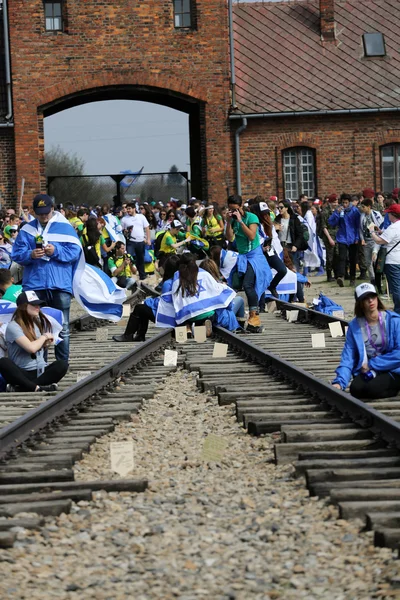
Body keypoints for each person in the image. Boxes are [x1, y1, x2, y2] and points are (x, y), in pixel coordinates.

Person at [11, 194, 81, 361]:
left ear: (52, 209)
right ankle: (40, 364)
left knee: (62, 327)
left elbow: (74, 253)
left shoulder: (66, 228)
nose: (43, 216)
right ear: (34, 212)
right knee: (36, 326)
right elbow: (17, 254)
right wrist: (31, 254)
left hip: (59, 285)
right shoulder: (27, 230)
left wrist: (55, 251)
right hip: (35, 284)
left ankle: (61, 364)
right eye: (39, 213)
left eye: (46, 212)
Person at [332, 283, 400, 399]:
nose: (370, 301)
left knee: (371, 389)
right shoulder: (355, 326)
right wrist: (339, 382)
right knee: (355, 389)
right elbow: (348, 357)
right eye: (365, 298)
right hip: (371, 371)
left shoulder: (393, 321)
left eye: (372, 297)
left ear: (377, 298)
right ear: (360, 303)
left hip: (392, 368)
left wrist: (372, 364)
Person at [0, 291, 68, 392]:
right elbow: (31, 348)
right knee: (3, 362)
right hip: (22, 373)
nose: (38, 307)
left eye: (39, 305)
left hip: (41, 371)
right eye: (34, 305)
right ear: (23, 307)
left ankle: (25, 387)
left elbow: (37, 347)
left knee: (62, 365)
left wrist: (46, 344)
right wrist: (44, 336)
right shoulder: (13, 326)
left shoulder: (37, 324)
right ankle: (35, 387)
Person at [226, 195, 272, 332]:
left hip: (254, 256)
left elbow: (252, 236)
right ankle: (243, 317)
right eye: (230, 209)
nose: (233, 212)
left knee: (248, 284)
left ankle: (254, 316)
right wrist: (229, 222)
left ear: (241, 206)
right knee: (235, 284)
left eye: (235, 209)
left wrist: (240, 221)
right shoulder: (232, 220)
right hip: (242, 256)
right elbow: (229, 238)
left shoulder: (252, 217)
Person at [112, 254, 180, 342]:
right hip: (177, 315)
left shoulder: (168, 283)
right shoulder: (180, 280)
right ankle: (140, 335)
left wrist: (150, 301)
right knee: (143, 309)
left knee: (139, 308)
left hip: (167, 317)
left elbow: (165, 303)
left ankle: (128, 335)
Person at [370, 203, 400, 314]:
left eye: (389, 214)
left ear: (393, 215)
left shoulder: (393, 227)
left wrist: (372, 232)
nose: (388, 216)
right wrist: (382, 233)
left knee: (396, 288)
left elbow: (379, 241)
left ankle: (398, 311)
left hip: (393, 262)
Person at [328, 194, 360, 287]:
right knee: (342, 258)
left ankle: (352, 277)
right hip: (342, 237)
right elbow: (332, 222)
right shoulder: (339, 210)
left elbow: (358, 226)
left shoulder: (354, 211)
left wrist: (357, 237)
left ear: (349, 202)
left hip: (353, 237)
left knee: (352, 258)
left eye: (346, 203)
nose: (344, 205)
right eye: (343, 203)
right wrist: (337, 214)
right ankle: (341, 276)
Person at [274, 200, 308, 272]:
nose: (279, 209)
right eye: (278, 208)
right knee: (283, 269)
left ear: (286, 208)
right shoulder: (277, 219)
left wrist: (296, 245)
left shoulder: (294, 219)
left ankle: (298, 283)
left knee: (294, 268)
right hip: (280, 246)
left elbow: (300, 234)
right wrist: (275, 229)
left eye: (281, 207)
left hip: (291, 246)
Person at [120, 202, 151, 280]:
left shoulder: (141, 217)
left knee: (140, 258)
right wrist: (125, 232)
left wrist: (148, 239)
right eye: (127, 209)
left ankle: (142, 275)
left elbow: (147, 228)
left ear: (134, 209)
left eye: (129, 209)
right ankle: (128, 274)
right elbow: (121, 230)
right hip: (130, 241)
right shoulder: (124, 219)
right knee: (128, 257)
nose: (128, 210)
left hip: (140, 241)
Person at [359, 198, 384, 284]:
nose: (362, 209)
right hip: (367, 240)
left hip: (376, 240)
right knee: (368, 261)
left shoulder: (376, 214)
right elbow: (360, 229)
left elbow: (382, 226)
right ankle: (372, 278)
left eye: (364, 207)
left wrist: (379, 233)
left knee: (375, 260)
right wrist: (362, 239)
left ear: (369, 206)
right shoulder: (362, 216)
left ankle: (378, 278)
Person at [318, 194, 339, 282]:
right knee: (330, 257)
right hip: (329, 235)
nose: (335, 204)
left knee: (337, 255)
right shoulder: (325, 212)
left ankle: (337, 274)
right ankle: (329, 275)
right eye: (334, 202)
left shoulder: (338, 211)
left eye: (336, 202)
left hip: (338, 235)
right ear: (330, 202)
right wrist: (329, 238)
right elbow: (324, 227)